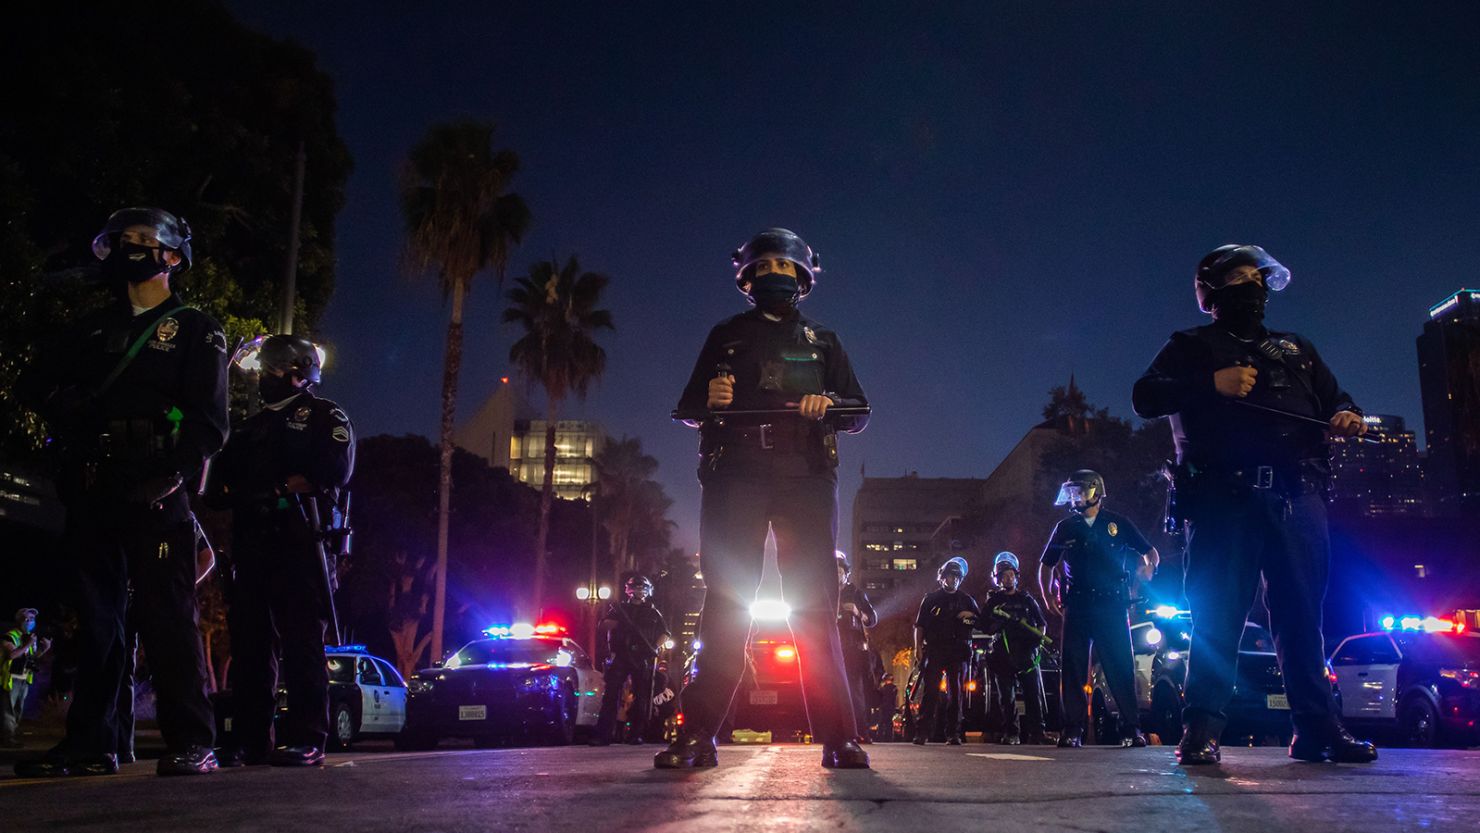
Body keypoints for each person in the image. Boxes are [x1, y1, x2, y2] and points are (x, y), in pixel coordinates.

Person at [1132, 243, 1377, 766]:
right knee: (1218, 617)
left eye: (1259, 277)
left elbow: (1339, 398)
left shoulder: (1297, 348)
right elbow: (1144, 396)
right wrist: (1208, 385)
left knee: (1300, 617)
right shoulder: (1191, 345)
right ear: (1214, 291)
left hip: (1296, 499)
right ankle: (1201, 730)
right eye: (1241, 277)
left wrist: (1348, 416)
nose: (1255, 286)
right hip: (1224, 501)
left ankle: (1317, 729)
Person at [15, 207, 227, 777]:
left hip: (157, 489)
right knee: (97, 619)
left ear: (173, 257)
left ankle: (192, 740)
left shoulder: (195, 328)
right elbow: (33, 384)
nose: (131, 248)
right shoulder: (90, 327)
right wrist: (66, 407)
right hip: (93, 487)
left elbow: (210, 422)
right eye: (124, 240)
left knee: (166, 619)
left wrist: (172, 476)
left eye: (144, 240)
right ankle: (91, 743)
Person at [658, 228, 871, 770]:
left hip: (804, 473)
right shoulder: (725, 335)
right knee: (727, 602)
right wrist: (709, 398)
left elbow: (859, 409)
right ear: (746, 277)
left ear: (802, 276)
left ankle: (838, 738)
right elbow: (685, 407)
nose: (775, 272)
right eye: (765, 264)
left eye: (785, 264)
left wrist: (829, 402)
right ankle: (699, 734)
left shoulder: (824, 340)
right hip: (737, 473)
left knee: (814, 604)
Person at [205, 334, 354, 768]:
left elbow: (332, 471)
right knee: (251, 647)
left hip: (301, 544)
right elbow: (217, 491)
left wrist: (277, 488)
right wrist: (267, 488)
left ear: (294, 374)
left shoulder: (325, 415)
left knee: (302, 642)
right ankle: (252, 740)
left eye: (267, 370)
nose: (260, 379)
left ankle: (308, 737)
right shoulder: (248, 428)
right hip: (252, 547)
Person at [1039, 470, 1157, 748]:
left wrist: (1148, 568)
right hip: (1077, 605)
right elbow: (1046, 564)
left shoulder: (1117, 523)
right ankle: (1072, 730)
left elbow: (1150, 551)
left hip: (1112, 605)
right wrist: (1047, 595)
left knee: (1120, 665)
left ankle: (1131, 728)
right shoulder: (1065, 527)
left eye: (1079, 491)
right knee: (1073, 668)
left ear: (1095, 492)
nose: (1074, 497)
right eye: (1071, 492)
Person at [593, 574, 671, 745]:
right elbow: (604, 625)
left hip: (642, 656)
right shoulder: (619, 609)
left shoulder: (653, 612)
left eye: (642, 588)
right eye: (636, 587)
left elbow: (665, 633)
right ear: (628, 590)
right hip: (621, 655)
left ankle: (636, 734)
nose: (639, 591)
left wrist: (654, 648)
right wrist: (620, 623)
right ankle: (603, 735)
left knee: (642, 696)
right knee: (611, 694)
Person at [982, 553, 1050, 745]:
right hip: (1002, 654)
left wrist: (1037, 641)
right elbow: (983, 625)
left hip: (1027, 653)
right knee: (1007, 697)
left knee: (1033, 694)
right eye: (1004, 576)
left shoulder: (1027, 599)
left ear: (1016, 576)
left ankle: (1037, 733)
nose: (1008, 579)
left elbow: (1041, 623)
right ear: (998, 579)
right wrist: (997, 625)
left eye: (1011, 575)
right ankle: (1011, 733)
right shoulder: (993, 601)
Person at [912, 557, 980, 745]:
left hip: (958, 651)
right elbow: (919, 625)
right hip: (935, 648)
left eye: (957, 577)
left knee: (956, 692)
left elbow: (982, 623)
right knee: (930, 691)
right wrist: (917, 647)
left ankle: (953, 733)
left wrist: (971, 615)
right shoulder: (931, 599)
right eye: (950, 576)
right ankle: (922, 732)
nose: (954, 580)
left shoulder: (967, 600)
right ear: (942, 577)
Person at [835, 551, 879, 742]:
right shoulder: (824, 593)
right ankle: (832, 733)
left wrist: (856, 611)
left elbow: (872, 619)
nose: (836, 575)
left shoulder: (856, 593)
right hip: (831, 647)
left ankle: (860, 732)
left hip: (852, 648)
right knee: (830, 692)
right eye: (833, 572)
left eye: (839, 572)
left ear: (846, 574)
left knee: (855, 693)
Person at [2, 609, 52, 748]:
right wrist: (29, 643)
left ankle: (9, 736)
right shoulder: (10, 636)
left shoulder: (29, 637)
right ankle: (8, 738)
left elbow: (31, 657)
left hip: (23, 678)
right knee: (8, 711)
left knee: (17, 710)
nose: (30, 621)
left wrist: (45, 648)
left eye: (32, 618)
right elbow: (12, 655)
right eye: (26, 618)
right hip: (10, 679)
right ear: (18, 620)